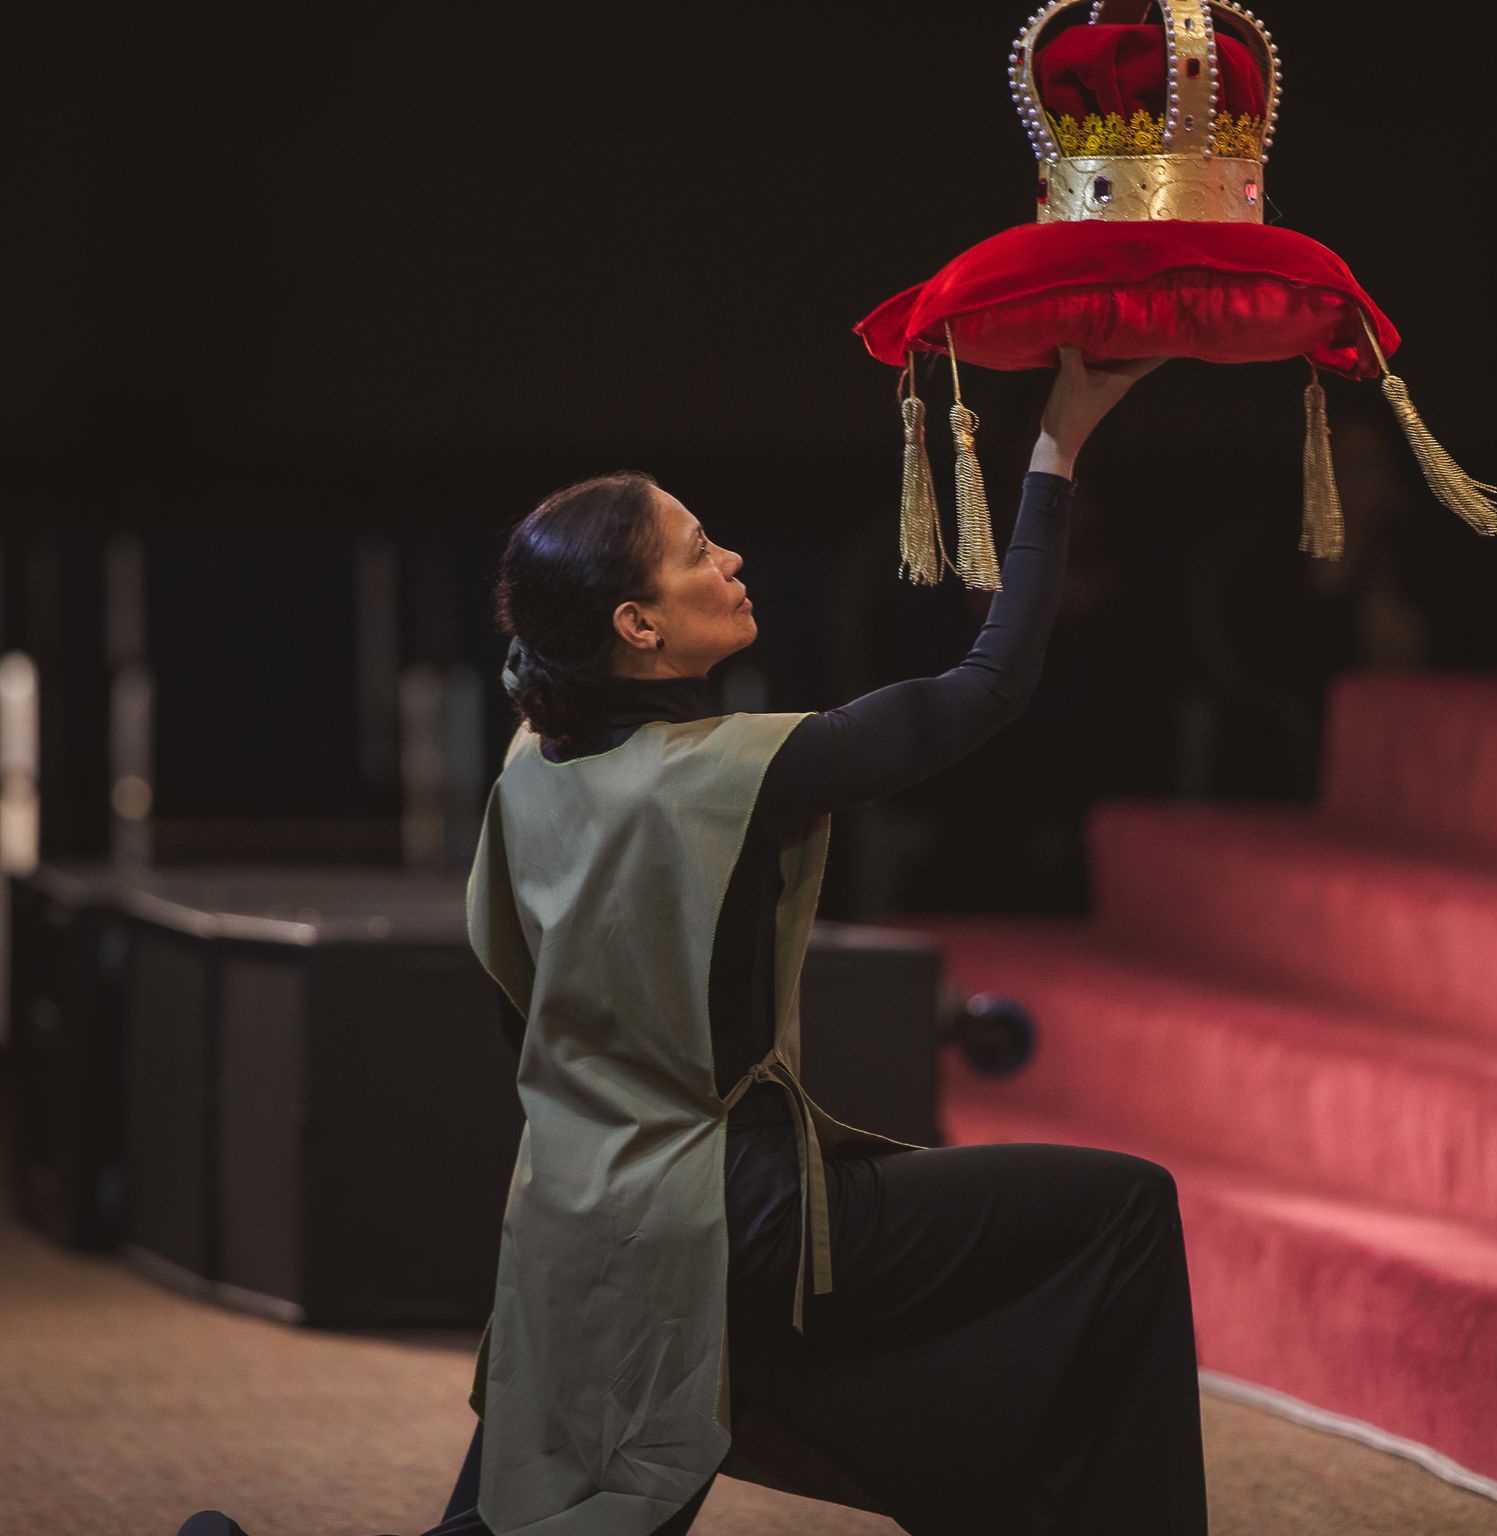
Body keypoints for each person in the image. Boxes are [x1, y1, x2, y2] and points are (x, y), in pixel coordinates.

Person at [179, 344, 1207, 1536]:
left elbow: (519, 1007)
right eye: (697, 553)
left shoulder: (526, 773)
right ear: (637, 625)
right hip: (734, 1215)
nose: (732, 561)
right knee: (1125, 1208)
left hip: (572, 1215)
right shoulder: (735, 773)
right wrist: (1059, 444)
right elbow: (989, 685)